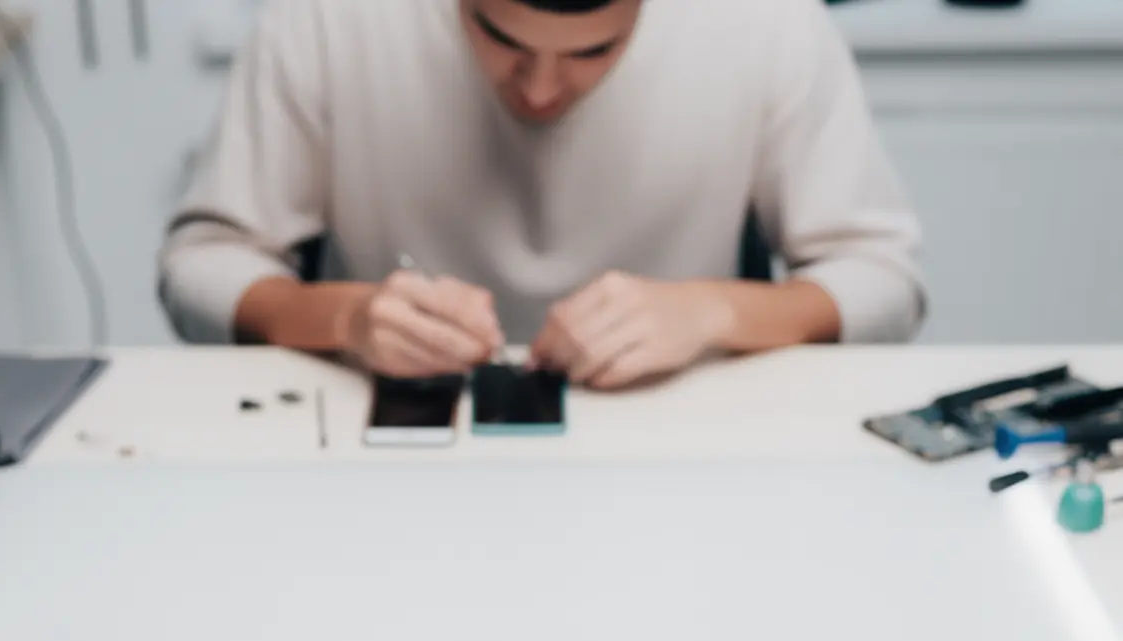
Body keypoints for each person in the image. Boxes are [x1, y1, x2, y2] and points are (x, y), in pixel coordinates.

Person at [160, 0, 924, 390]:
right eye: (498, 37)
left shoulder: (768, 20)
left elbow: (885, 284)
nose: (541, 90)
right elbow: (201, 265)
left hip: (674, 452)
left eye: (595, 51)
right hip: (394, 455)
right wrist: (344, 315)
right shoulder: (326, 15)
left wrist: (713, 309)